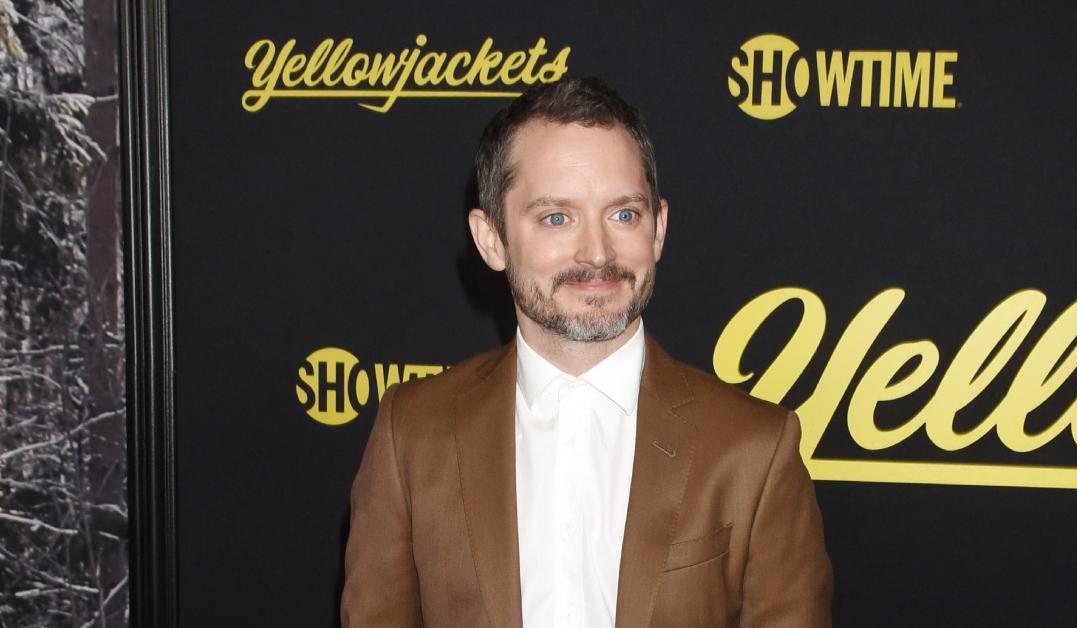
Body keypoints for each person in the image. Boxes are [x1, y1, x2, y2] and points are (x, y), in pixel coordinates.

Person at [341, 76, 832, 627]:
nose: (597, 252)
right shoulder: (410, 434)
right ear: (491, 239)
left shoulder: (754, 451)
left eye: (624, 215)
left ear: (660, 228)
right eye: (557, 217)